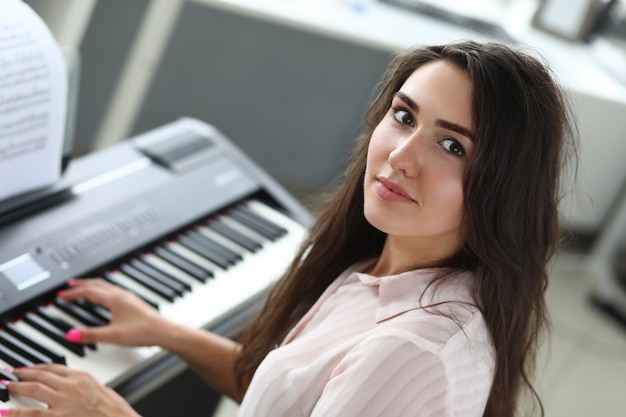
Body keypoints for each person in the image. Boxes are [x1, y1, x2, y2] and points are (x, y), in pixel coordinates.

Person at [2, 40, 576, 417]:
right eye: (403, 116)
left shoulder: (413, 350)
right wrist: (166, 330)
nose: (400, 156)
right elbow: (284, 398)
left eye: (452, 145)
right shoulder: (384, 272)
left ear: (502, 185)